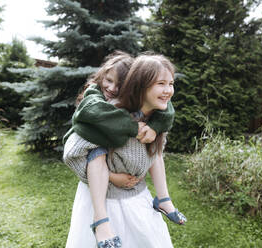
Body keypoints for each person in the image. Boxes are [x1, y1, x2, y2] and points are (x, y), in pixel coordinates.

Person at [64, 53, 186, 247]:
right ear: (141, 85)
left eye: (171, 84)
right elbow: (74, 153)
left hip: (138, 199)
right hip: (105, 201)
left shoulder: (157, 115)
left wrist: (154, 129)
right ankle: (100, 222)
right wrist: (112, 176)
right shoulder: (108, 114)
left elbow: (156, 154)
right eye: (161, 83)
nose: (168, 91)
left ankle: (164, 199)